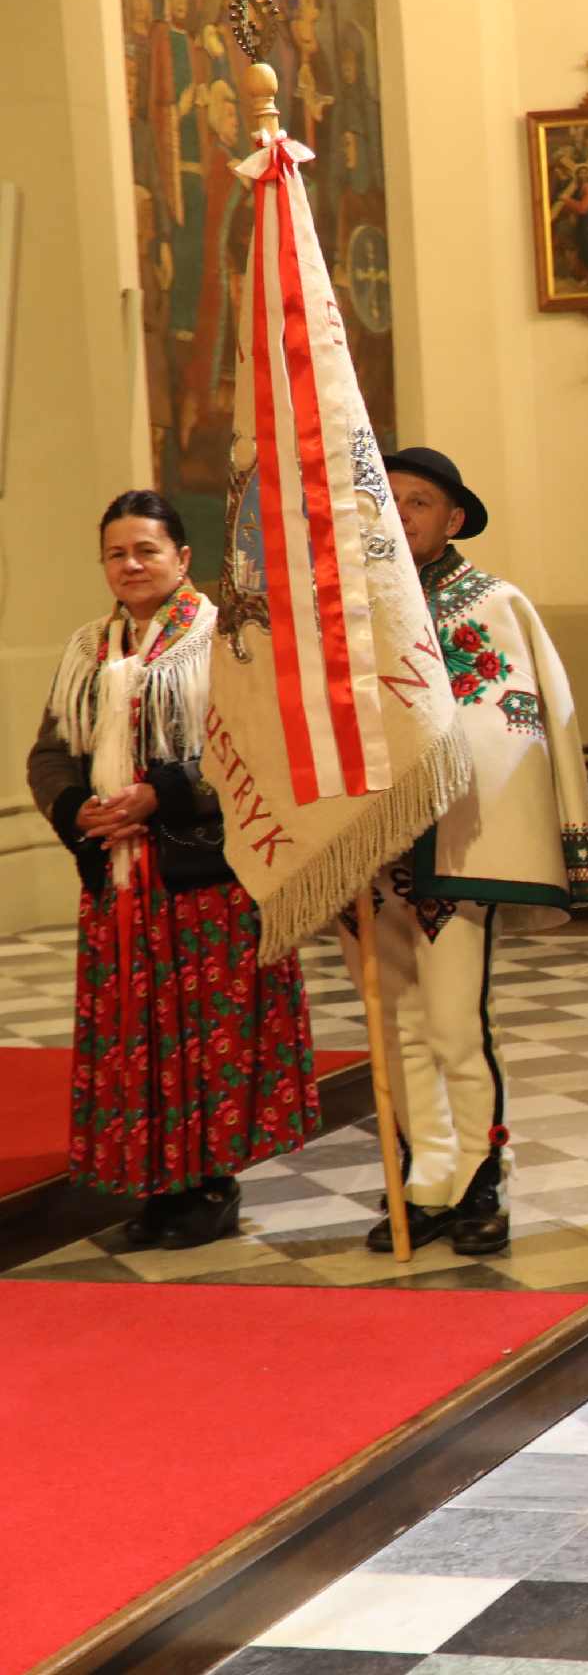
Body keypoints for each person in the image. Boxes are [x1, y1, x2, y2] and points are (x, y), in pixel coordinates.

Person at [26, 491, 318, 1249]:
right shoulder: (89, 649)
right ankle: (158, 1182)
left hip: (208, 878)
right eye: (116, 553)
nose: (130, 565)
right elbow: (50, 753)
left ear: (182, 558)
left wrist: (164, 793)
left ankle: (211, 1184)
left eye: (146, 550)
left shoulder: (226, 641)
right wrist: (78, 810)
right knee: (138, 1034)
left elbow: (260, 747)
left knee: (207, 1033)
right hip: (120, 878)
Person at [335, 448, 588, 1256]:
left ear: (452, 519)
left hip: (451, 846)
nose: (401, 514)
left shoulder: (490, 604)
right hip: (367, 855)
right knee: (396, 1025)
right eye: (390, 500)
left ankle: (485, 1174)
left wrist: (421, 762)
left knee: (454, 1022)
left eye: (419, 502)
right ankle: (428, 1176)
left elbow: (510, 721)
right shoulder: (346, 609)